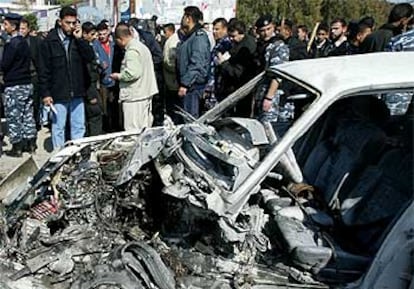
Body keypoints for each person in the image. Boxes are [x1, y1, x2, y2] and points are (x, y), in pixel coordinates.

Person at [38, 6, 95, 150]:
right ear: (59, 22)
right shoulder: (49, 42)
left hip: (77, 91)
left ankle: (77, 154)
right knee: (58, 128)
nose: (71, 26)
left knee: (78, 126)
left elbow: (90, 57)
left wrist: (80, 39)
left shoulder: (77, 40)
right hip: (58, 93)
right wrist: (45, 93)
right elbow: (43, 70)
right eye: (68, 22)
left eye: (73, 22)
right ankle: (59, 158)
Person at [109, 23, 158, 131]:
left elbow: (133, 73)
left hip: (134, 97)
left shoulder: (131, 51)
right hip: (145, 93)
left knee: (133, 131)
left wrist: (118, 76)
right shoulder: (142, 47)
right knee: (145, 129)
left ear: (119, 39)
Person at [1, 13, 37, 157]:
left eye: (6, 24)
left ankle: (17, 147)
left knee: (14, 116)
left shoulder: (12, 44)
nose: (4, 27)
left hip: (14, 84)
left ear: (13, 26)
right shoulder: (24, 42)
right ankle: (31, 143)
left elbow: (5, 63)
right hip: (26, 83)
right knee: (27, 115)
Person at [254, 15, 290, 133]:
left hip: (273, 94)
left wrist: (269, 97)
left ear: (273, 27)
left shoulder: (279, 46)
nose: (266, 33)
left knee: (269, 129)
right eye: (262, 30)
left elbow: (278, 75)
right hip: (261, 91)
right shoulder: (262, 45)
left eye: (268, 29)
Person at [216, 19, 256, 116]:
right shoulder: (238, 44)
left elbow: (238, 72)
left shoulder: (246, 48)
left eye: (233, 36)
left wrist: (223, 63)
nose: (231, 39)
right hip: (233, 87)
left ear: (241, 33)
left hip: (241, 87)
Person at [176, 6, 211, 118]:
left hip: (193, 87)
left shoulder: (198, 37)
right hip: (188, 86)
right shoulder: (189, 37)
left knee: (190, 121)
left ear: (188, 18)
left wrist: (185, 84)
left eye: (183, 16)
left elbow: (197, 64)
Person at [20, 17, 43, 131]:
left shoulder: (36, 41)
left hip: (34, 76)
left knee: (35, 101)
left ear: (28, 29)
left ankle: (35, 122)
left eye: (24, 29)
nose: (21, 31)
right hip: (20, 77)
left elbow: (41, 59)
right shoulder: (13, 42)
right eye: (20, 29)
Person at [204, 17, 232, 109]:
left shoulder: (226, 44)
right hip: (213, 86)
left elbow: (221, 64)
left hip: (219, 87)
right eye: (213, 29)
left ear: (225, 29)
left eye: (217, 29)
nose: (214, 32)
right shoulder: (218, 43)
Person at [93, 21, 116, 132]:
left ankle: (114, 127)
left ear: (108, 33)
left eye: (104, 34)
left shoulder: (113, 44)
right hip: (103, 81)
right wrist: (100, 66)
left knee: (114, 106)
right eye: (100, 34)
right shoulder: (95, 46)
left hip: (114, 80)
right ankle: (106, 129)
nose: (102, 37)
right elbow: (93, 64)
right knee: (104, 108)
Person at [82, 21, 103, 136]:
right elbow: (87, 73)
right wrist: (91, 95)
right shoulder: (84, 50)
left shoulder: (91, 46)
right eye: (92, 34)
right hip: (90, 89)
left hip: (93, 86)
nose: (95, 37)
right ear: (85, 34)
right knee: (94, 114)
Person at [162, 23, 181, 122]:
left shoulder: (173, 42)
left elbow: (171, 61)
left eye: (165, 32)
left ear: (170, 31)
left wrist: (166, 65)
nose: (164, 34)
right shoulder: (171, 40)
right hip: (171, 80)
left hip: (172, 80)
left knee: (173, 106)